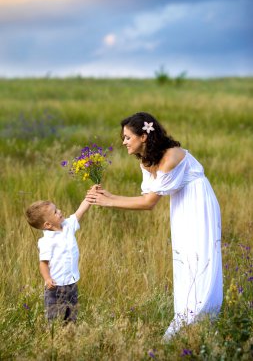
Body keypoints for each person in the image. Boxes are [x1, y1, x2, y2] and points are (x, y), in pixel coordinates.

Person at [86, 112, 223, 341]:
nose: (123, 142)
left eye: (128, 137)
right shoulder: (146, 161)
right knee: (185, 258)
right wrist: (108, 195)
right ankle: (187, 316)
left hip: (198, 203)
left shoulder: (170, 157)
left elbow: (149, 203)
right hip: (181, 205)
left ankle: (201, 317)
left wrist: (108, 202)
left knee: (200, 256)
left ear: (144, 137)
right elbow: (146, 196)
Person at [25, 190, 95, 323]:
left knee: (71, 315)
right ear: (47, 225)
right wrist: (47, 279)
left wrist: (90, 196)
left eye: (57, 209)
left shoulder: (67, 226)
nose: (60, 211)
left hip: (71, 283)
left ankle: (70, 333)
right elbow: (43, 263)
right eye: (55, 212)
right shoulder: (46, 242)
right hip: (55, 286)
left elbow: (80, 212)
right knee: (54, 317)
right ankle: (54, 336)